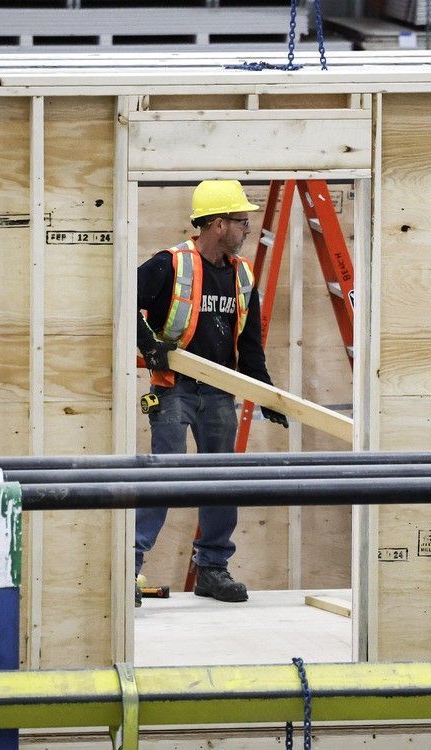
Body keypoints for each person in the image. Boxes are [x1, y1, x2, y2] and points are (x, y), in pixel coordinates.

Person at [135, 179, 288, 606]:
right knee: (163, 476)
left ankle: (213, 569)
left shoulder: (241, 274)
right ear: (218, 224)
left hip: (220, 391)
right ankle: (129, 566)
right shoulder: (170, 264)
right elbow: (123, 301)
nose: (247, 230)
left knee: (223, 480)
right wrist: (149, 345)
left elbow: (250, 342)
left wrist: (264, 392)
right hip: (174, 390)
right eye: (242, 222)